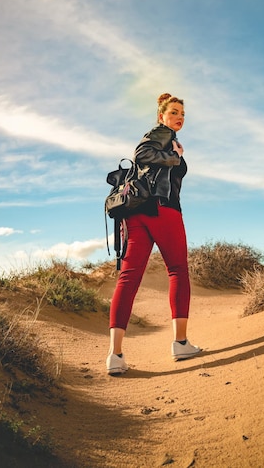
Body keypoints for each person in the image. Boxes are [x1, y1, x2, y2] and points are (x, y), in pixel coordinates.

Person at [106, 92, 201, 375]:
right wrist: (175, 157)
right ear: (161, 116)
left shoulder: (167, 136)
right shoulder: (161, 134)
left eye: (182, 114)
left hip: (137, 213)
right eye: (173, 112)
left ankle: (115, 355)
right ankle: (180, 342)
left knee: (129, 277)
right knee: (177, 271)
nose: (179, 118)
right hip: (162, 210)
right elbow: (141, 153)